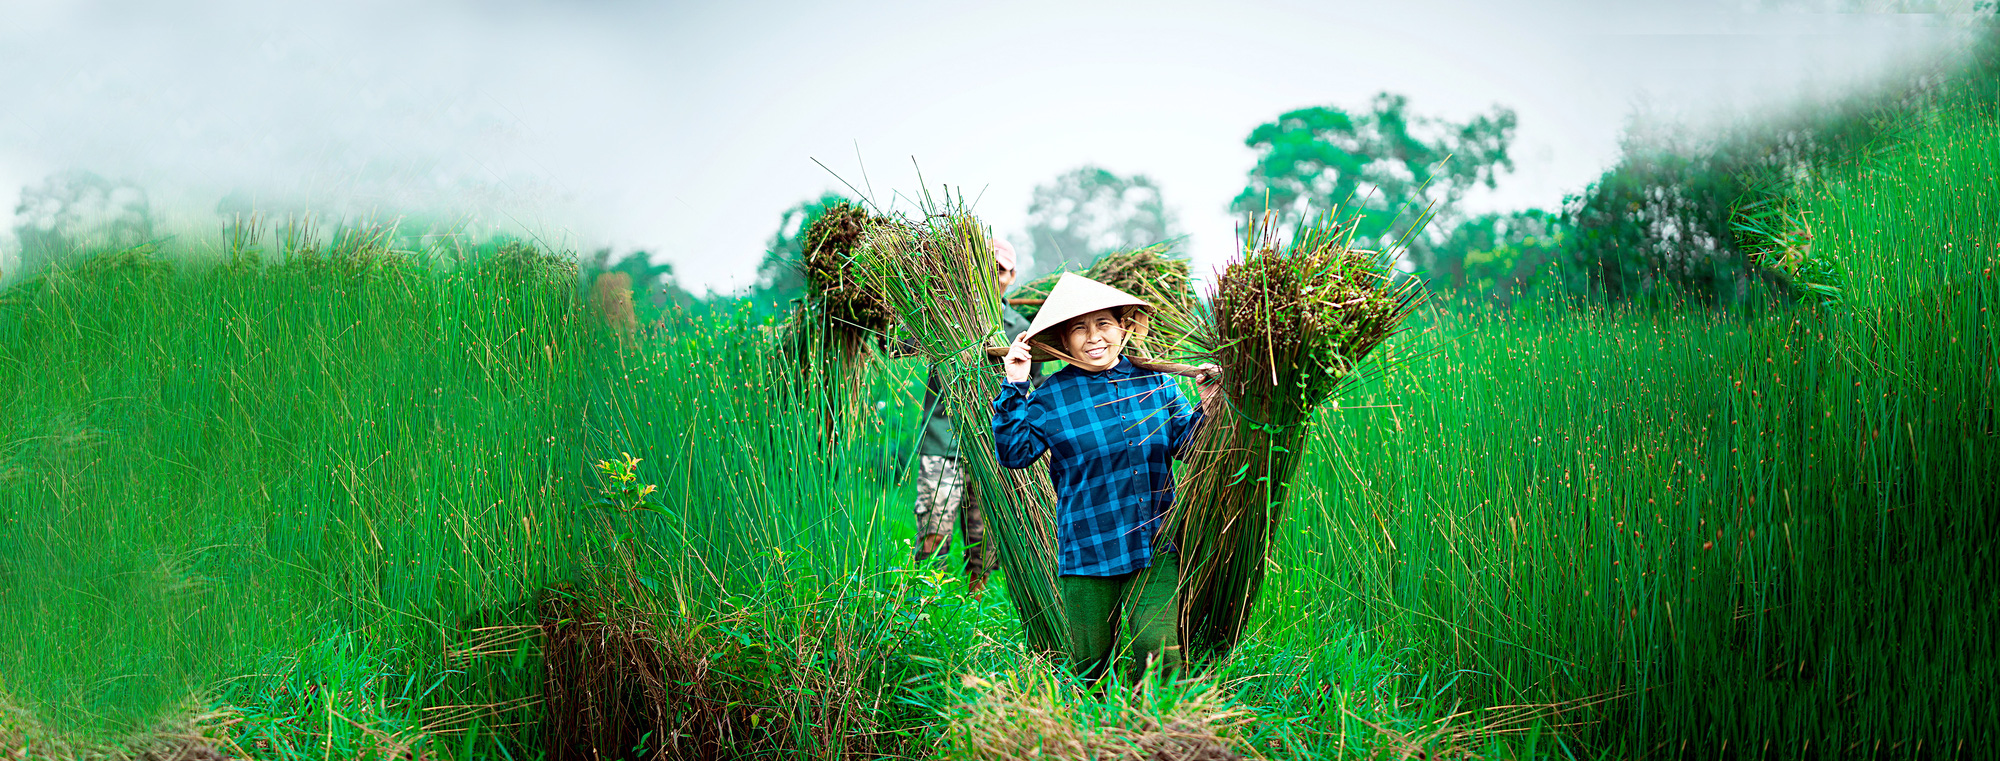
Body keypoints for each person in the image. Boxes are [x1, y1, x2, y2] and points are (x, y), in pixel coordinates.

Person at [991, 273, 1219, 684]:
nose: (1093, 337)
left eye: (1104, 324)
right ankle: (1093, 740)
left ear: (1124, 327)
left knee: (1160, 655)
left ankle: (1160, 738)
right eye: (1079, 328)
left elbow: (1188, 447)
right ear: (1064, 339)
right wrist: (1016, 383)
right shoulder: (1051, 397)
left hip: (1153, 544)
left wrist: (1207, 407)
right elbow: (1014, 453)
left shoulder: (1157, 382)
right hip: (1088, 549)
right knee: (1090, 670)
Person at [911, 238, 1036, 596]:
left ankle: (973, 609)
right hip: (942, 441)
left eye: (1000, 270)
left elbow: (1035, 388)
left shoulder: (1019, 327)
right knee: (934, 530)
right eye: (985, 268)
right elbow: (895, 344)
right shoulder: (940, 317)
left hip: (994, 446)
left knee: (984, 540)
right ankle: (925, 608)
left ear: (1011, 277)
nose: (992, 276)